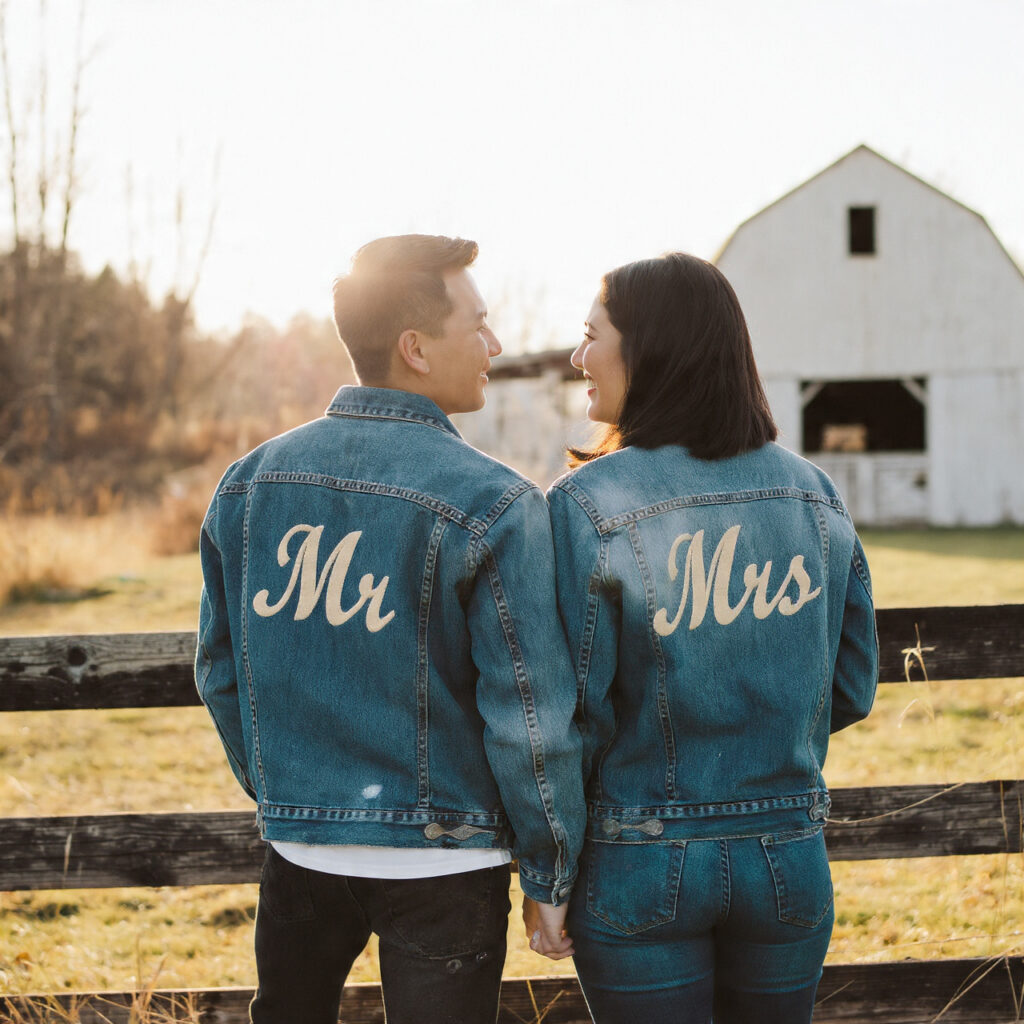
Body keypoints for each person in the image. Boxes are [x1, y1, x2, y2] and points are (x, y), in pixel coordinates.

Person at [196, 234, 584, 1024]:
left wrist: (286, 792)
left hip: (300, 853)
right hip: (449, 860)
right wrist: (548, 875)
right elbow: (529, 713)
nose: (495, 344)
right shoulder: (495, 503)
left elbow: (219, 671)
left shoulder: (250, 483)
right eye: (477, 323)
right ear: (414, 346)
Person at [524, 252, 878, 1023]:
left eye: (591, 335)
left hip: (638, 857)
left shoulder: (586, 505)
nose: (579, 357)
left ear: (651, 348)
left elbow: (561, 716)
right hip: (787, 856)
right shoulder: (812, 492)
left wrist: (546, 878)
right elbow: (850, 687)